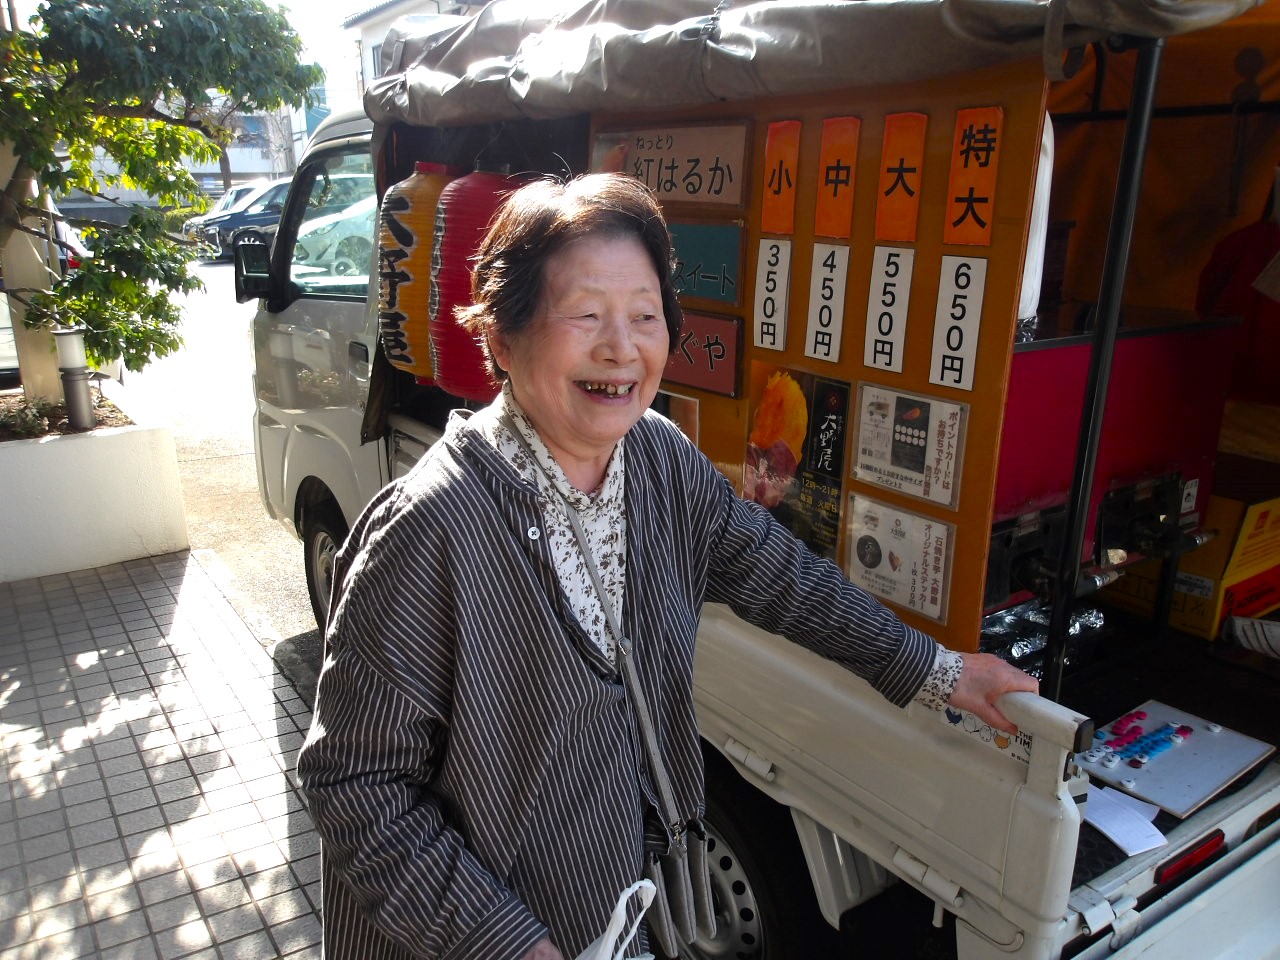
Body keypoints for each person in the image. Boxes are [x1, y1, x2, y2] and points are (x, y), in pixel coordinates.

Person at [296, 172, 1038, 960]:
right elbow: (354, 786)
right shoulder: (429, 530)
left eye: (645, 316)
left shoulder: (657, 459)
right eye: (585, 315)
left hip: (618, 915)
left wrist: (940, 672)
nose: (623, 347)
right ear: (501, 338)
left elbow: (780, 575)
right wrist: (509, 945)